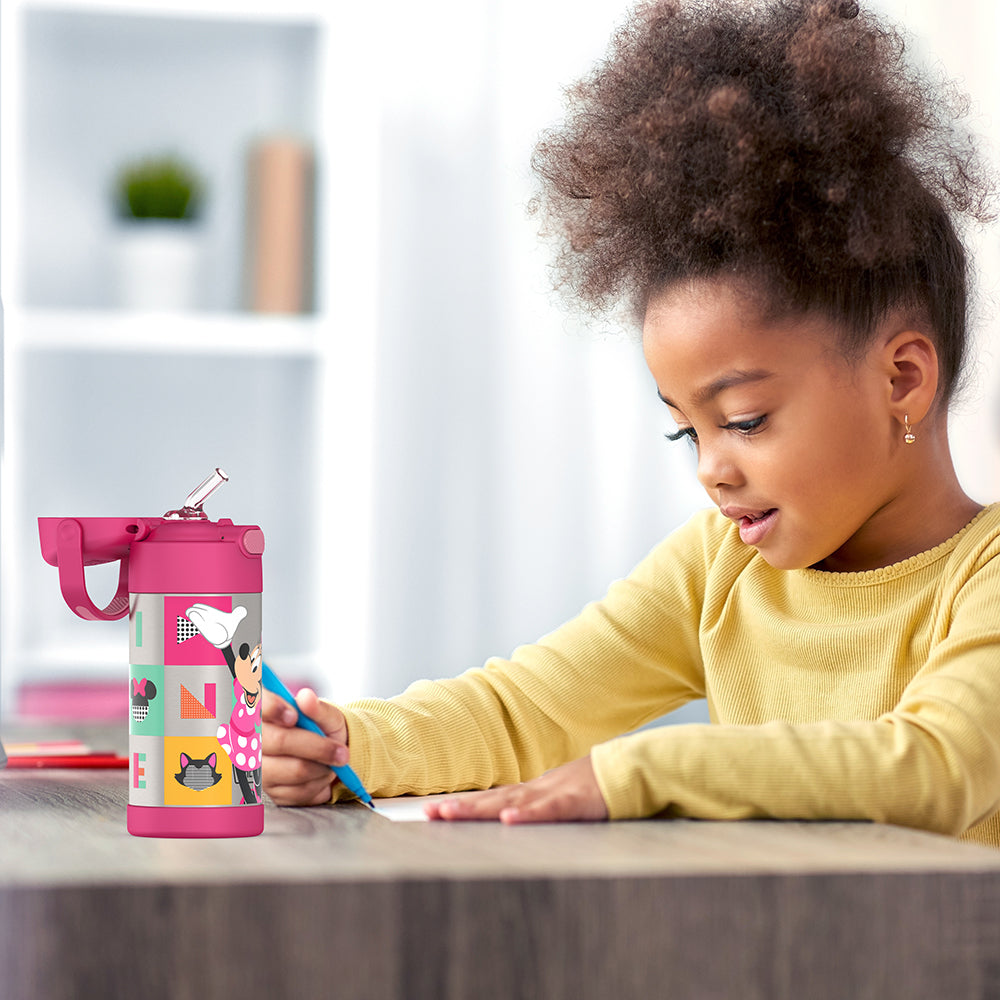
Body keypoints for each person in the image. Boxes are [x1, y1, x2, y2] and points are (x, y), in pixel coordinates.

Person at [263, 0, 1000, 846]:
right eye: (690, 431)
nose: (711, 470)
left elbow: (936, 769)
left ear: (901, 380)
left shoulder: (984, 580)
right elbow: (532, 708)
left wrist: (645, 770)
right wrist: (352, 743)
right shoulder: (718, 571)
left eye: (746, 419)